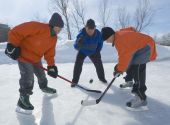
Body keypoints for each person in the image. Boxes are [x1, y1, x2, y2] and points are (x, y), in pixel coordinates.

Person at [5, 13, 64, 112]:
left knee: (42, 75)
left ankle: (44, 87)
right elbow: (16, 31)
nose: (59, 30)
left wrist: (51, 66)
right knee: (28, 77)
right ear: (53, 25)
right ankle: (23, 98)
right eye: (58, 27)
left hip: (36, 59)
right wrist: (12, 45)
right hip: (24, 56)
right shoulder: (38, 27)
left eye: (61, 28)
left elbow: (50, 53)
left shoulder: (54, 38)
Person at [101, 26, 157, 109]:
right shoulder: (120, 34)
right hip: (142, 45)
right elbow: (131, 29)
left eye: (106, 39)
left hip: (145, 47)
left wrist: (118, 69)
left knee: (137, 67)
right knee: (130, 63)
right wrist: (119, 69)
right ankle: (129, 81)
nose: (106, 41)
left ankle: (141, 98)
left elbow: (124, 58)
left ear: (111, 35)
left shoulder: (120, 40)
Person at [71, 19, 107, 87]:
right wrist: (78, 44)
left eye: (92, 29)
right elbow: (75, 47)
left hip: (93, 52)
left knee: (99, 64)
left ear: (95, 28)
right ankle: (74, 81)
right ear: (85, 28)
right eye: (88, 29)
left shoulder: (98, 34)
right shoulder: (81, 34)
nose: (90, 31)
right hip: (83, 51)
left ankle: (102, 78)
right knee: (78, 63)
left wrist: (98, 51)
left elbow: (100, 43)